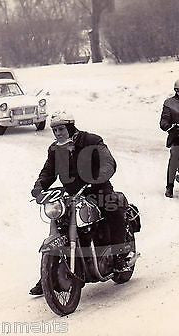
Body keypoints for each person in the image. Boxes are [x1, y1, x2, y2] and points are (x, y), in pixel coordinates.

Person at [29, 111, 128, 295]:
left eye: (61, 129)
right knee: (59, 221)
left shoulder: (91, 140)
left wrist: (98, 178)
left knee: (112, 209)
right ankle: (48, 274)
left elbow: (108, 162)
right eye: (55, 130)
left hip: (97, 189)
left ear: (70, 126)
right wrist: (39, 187)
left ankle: (120, 256)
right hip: (73, 194)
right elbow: (48, 172)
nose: (58, 133)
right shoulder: (54, 149)